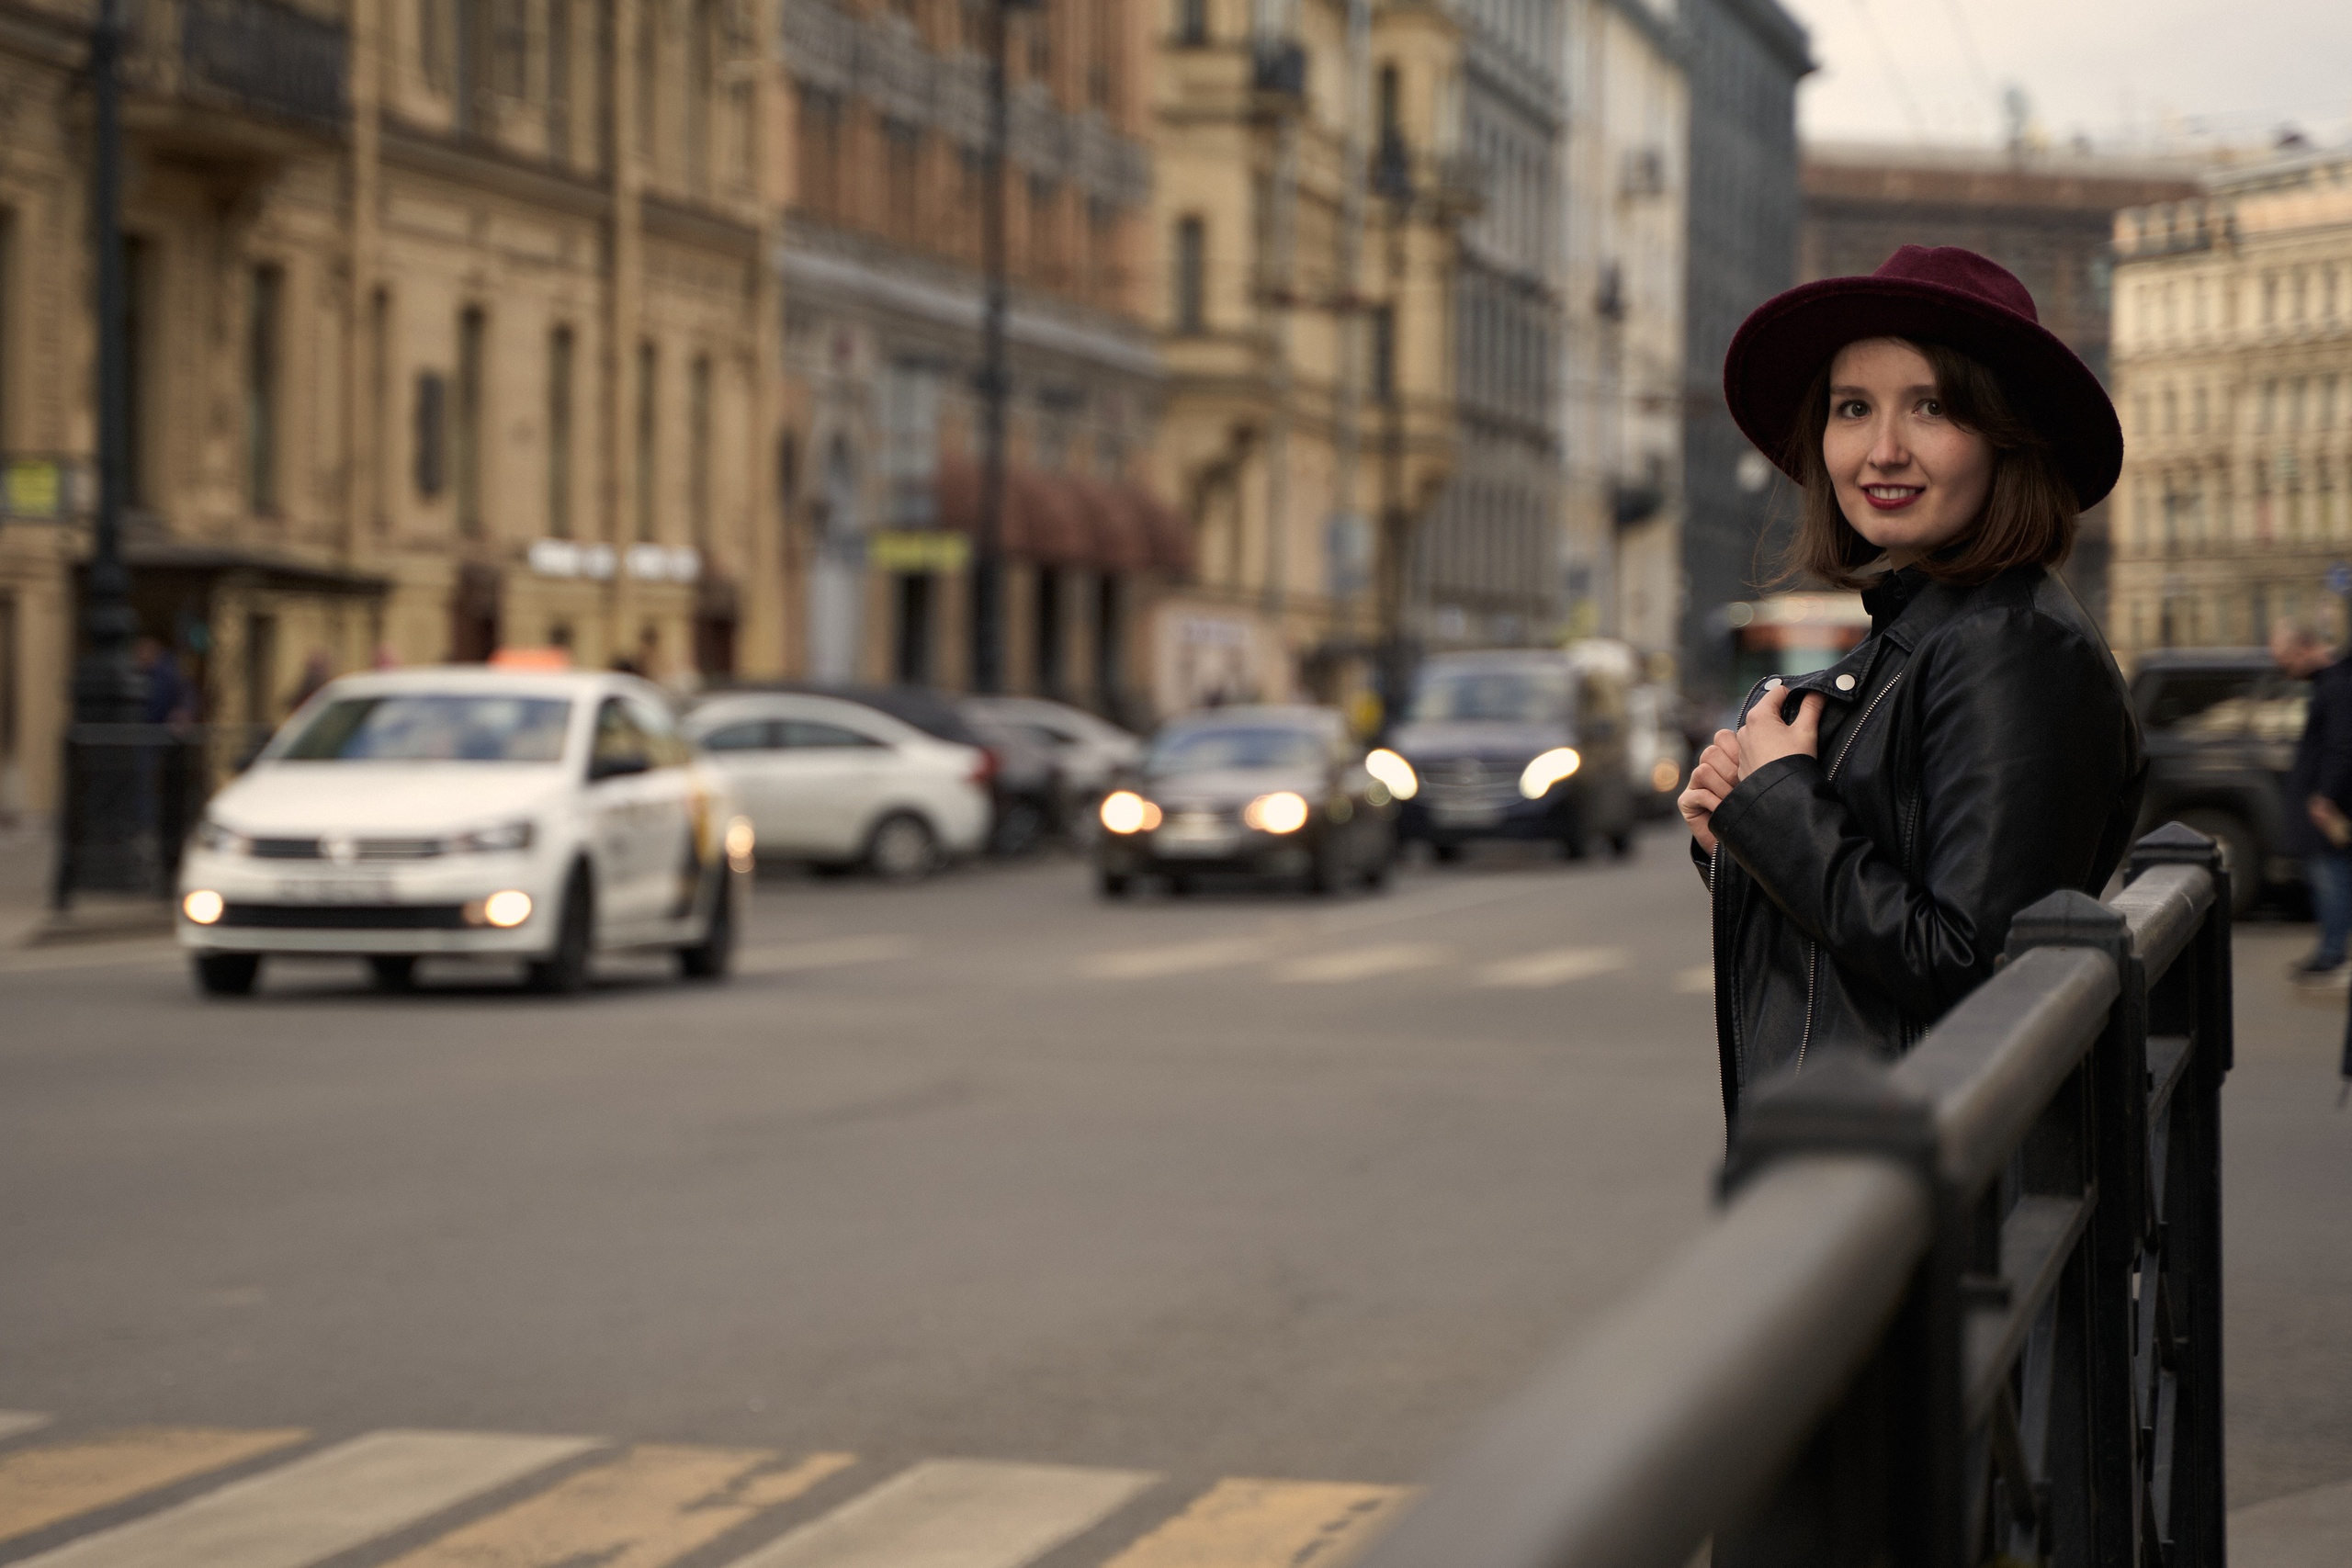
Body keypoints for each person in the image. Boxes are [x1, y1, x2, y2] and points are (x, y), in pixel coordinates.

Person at [1679, 245, 2147, 1134]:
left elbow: (1972, 967)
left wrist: (1782, 806)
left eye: (1930, 407)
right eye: (1852, 408)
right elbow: (1881, 915)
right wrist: (1742, 837)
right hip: (1880, 1163)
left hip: (1930, 1194)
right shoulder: (1935, 625)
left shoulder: (2010, 644)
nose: (1882, 450)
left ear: (2011, 435)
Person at [2271, 617, 2352, 980]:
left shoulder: (2334, 686)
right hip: (2326, 802)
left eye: (2287, 660)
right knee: (2328, 876)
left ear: (2304, 647)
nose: (2287, 670)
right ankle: (2329, 949)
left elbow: (2340, 746)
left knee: (2330, 877)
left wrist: (2325, 797)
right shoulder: (2329, 683)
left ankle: (2332, 952)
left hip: (2329, 806)